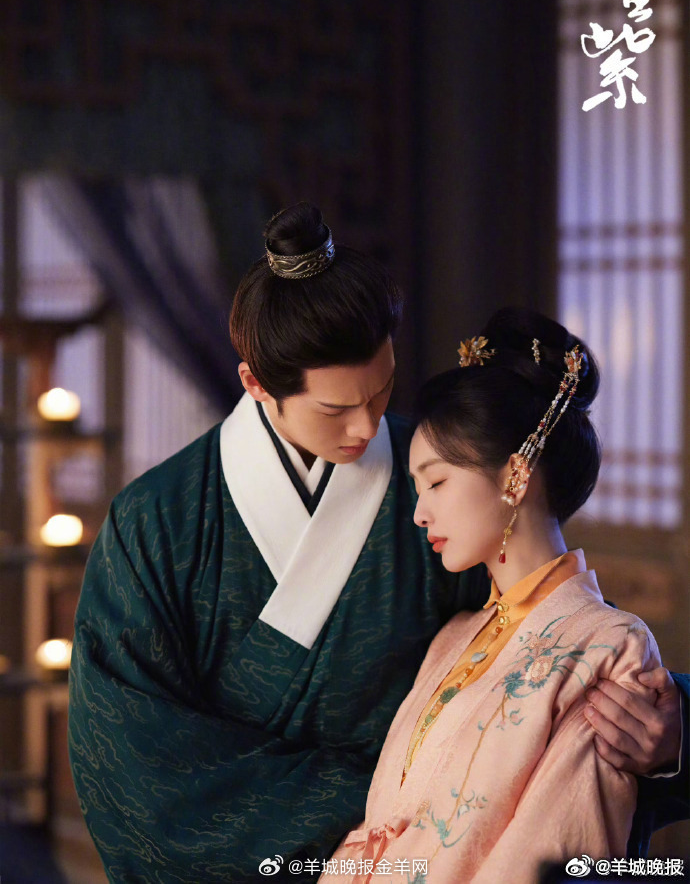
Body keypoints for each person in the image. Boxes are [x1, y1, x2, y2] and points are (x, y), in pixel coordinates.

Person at [68, 206, 687, 884]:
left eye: (383, 389)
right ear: (256, 384)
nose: (368, 428)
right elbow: (131, 769)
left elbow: (562, 640)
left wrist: (671, 727)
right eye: (335, 409)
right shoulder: (154, 524)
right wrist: (411, 816)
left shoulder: (446, 482)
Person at [322, 309, 687, 884]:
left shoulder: (610, 648)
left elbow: (554, 851)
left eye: (437, 482)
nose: (419, 513)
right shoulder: (453, 637)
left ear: (516, 476)